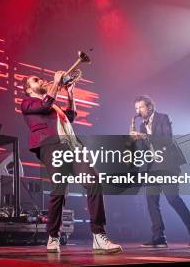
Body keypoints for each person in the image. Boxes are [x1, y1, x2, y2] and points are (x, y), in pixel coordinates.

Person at [21, 72, 122, 254]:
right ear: (28, 89)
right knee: (60, 189)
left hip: (73, 147)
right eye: (36, 80)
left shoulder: (53, 104)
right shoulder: (28, 103)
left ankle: (99, 235)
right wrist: (56, 83)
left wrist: (70, 92)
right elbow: (45, 106)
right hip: (51, 146)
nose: (41, 80)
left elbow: (71, 115)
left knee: (94, 181)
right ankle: (53, 236)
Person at [132, 95, 190, 248]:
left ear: (150, 107)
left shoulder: (163, 118)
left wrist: (144, 136)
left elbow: (167, 140)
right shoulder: (142, 126)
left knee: (173, 199)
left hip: (169, 164)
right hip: (153, 167)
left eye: (141, 107)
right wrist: (136, 141)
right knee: (151, 200)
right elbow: (143, 149)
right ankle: (159, 236)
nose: (138, 111)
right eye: (136, 108)